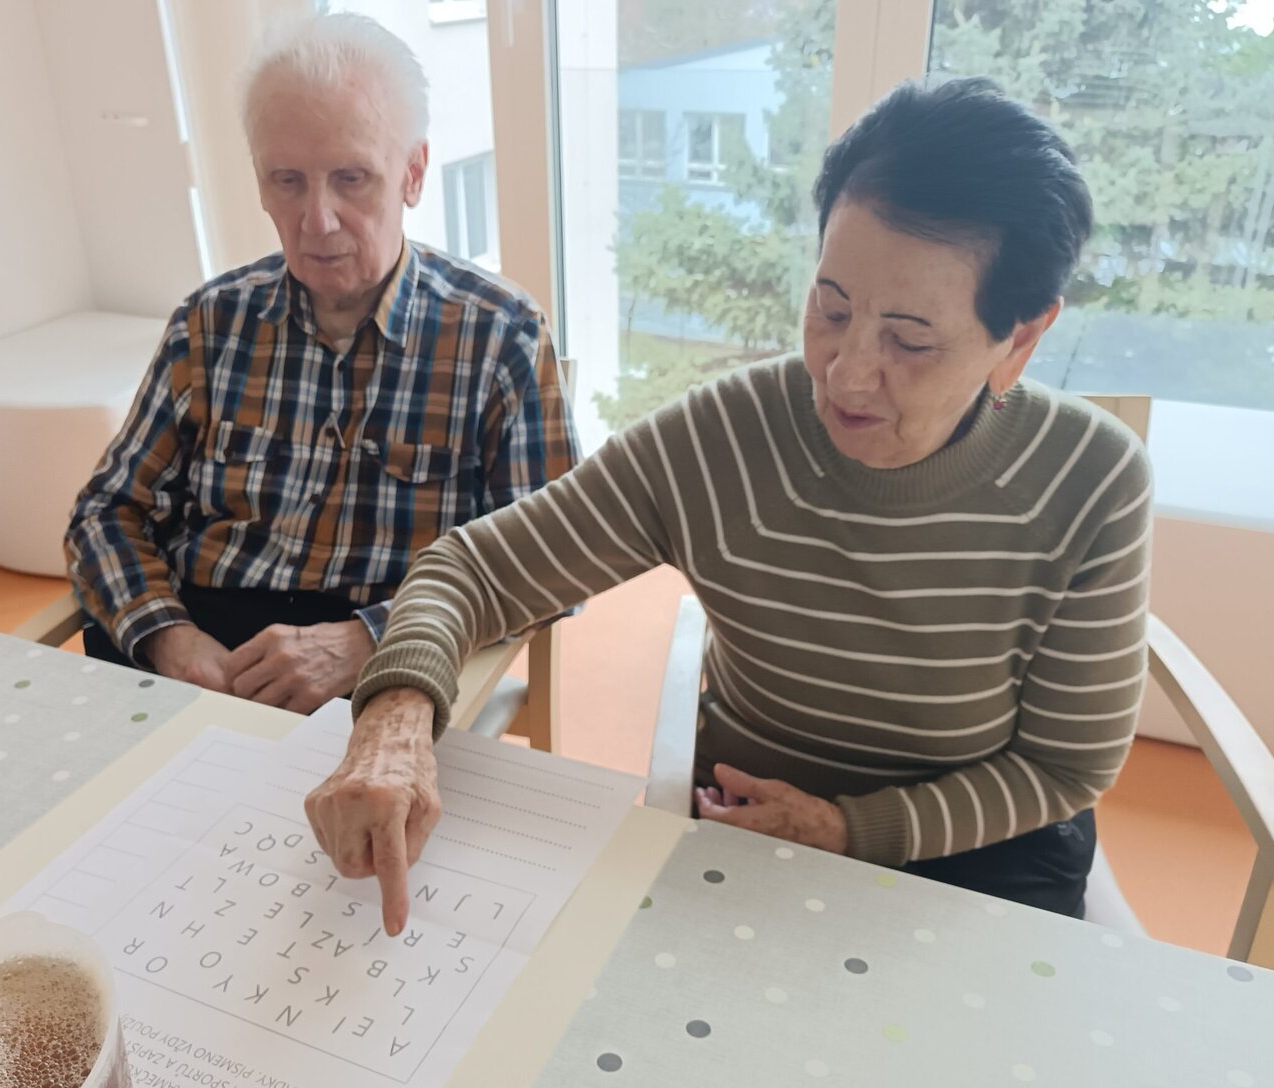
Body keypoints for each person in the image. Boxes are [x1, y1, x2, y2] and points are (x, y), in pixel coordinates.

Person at [306, 77, 1155, 937]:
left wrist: (851, 831)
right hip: (753, 836)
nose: (846, 375)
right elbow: (472, 571)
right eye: (831, 308)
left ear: (1021, 339)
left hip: (979, 846)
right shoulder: (728, 438)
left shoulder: (1092, 479)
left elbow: (1064, 768)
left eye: (909, 340)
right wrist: (396, 717)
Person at [64, 12, 577, 714]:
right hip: (197, 653)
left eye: (351, 177)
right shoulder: (207, 324)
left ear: (413, 174)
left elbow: (551, 558)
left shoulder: (500, 335)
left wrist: (369, 641)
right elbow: (105, 511)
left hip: (383, 662)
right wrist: (167, 637)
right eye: (288, 180)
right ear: (259, 182)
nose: (318, 220)